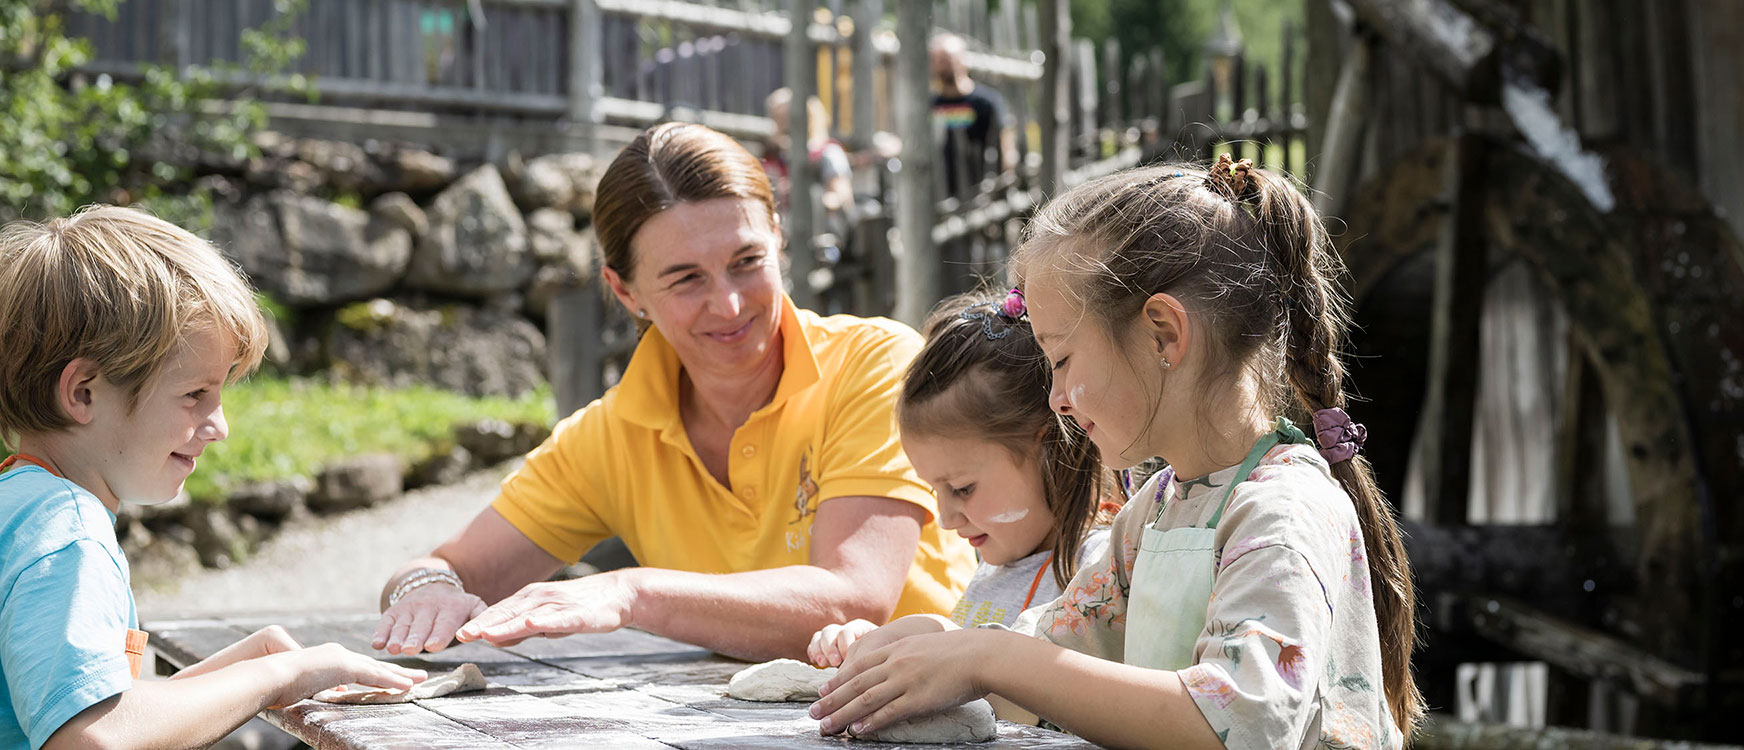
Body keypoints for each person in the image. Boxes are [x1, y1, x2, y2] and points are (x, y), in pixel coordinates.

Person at [806, 156, 1423, 749]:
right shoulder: (1156, 508)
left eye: (1063, 359)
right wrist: (940, 644)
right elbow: (1056, 661)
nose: (1055, 399)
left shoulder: (1282, 512)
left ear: (1164, 333)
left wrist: (988, 657)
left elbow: (1240, 721)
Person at [371, 123, 977, 662]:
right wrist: (426, 593)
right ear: (625, 290)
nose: (729, 304)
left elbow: (854, 598)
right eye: (686, 278)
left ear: (778, 237)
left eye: (747, 260)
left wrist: (630, 591)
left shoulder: (876, 362)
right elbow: (446, 566)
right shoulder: (609, 436)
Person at [0, 206, 425, 750]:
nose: (219, 426)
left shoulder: (22, 506)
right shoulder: (68, 532)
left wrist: (236, 676)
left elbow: (93, 715)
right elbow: (95, 738)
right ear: (83, 391)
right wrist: (280, 677)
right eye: (194, 395)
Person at [805, 290, 1114, 668]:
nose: (946, 518)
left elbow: (1057, 686)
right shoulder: (992, 569)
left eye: (962, 488)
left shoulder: (1102, 567)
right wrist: (877, 646)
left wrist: (936, 636)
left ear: (1049, 446)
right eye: (934, 489)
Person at [930, 33, 1016, 197]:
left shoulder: (986, 101)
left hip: (979, 192)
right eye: (937, 60)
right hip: (940, 192)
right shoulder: (930, 105)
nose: (942, 66)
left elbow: (1005, 146)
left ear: (961, 59)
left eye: (947, 59)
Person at [763, 87, 855, 221]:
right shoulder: (774, 155)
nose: (783, 126)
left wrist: (806, 197)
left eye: (787, 119)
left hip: (819, 229)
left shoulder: (828, 153)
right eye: (778, 119)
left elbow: (842, 197)